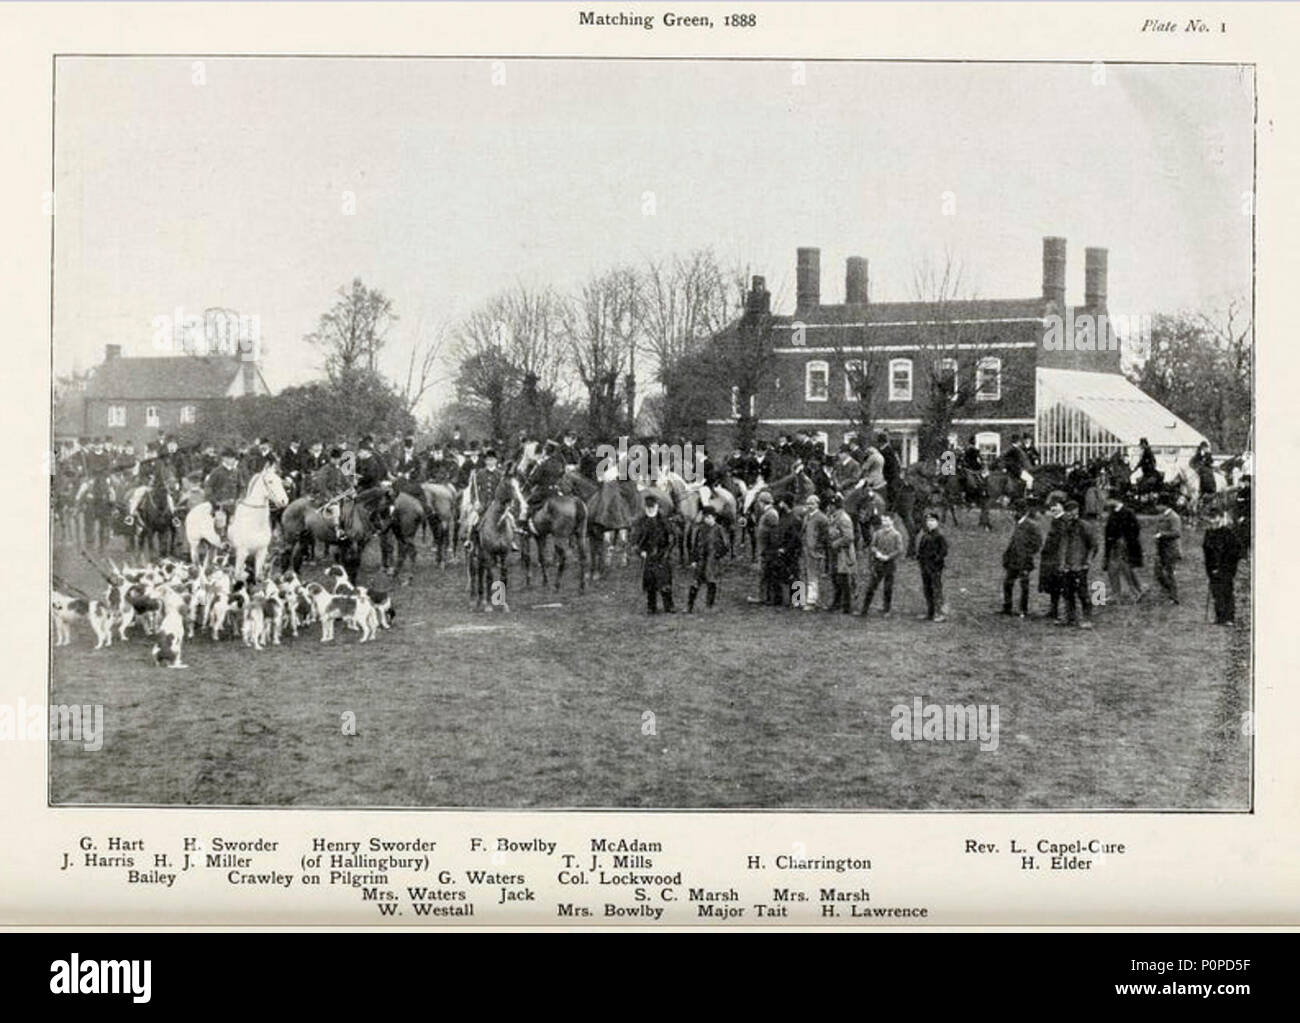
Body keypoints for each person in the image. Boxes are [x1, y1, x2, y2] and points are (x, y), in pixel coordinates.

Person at [1056, 499, 1097, 629]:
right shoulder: (1064, 526)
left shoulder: (1084, 526)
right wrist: (1062, 563)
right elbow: (1063, 545)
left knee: (1082, 592)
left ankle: (1087, 619)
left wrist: (1087, 562)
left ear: (1076, 511)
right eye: (1066, 512)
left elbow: (1094, 546)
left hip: (1079, 565)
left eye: (1070, 512)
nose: (1068, 515)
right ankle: (1070, 617)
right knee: (1067, 592)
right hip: (1067, 566)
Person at [636, 493, 676, 613]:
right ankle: (651, 606)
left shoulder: (664, 521)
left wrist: (666, 553)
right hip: (648, 556)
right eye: (648, 508)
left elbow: (672, 539)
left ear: (657, 506)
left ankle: (669, 606)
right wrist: (641, 551)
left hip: (662, 555)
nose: (650, 509)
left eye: (652, 507)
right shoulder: (642, 522)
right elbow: (637, 540)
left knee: (664, 582)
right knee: (650, 583)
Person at [859, 512, 904, 617]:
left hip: (889, 565)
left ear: (892, 521)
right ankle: (864, 609)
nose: (885, 523)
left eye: (887, 520)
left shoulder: (896, 534)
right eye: (883, 520)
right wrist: (877, 553)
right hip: (878, 564)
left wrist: (888, 557)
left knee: (888, 588)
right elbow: (872, 546)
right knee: (871, 587)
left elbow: (899, 550)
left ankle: (886, 609)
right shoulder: (877, 533)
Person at [1001, 503, 1043, 617]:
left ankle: (1023, 610)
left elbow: (1037, 543)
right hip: (1013, 560)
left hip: (1024, 560)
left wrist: (1028, 555)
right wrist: (1007, 556)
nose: (1013, 514)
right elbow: (1013, 542)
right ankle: (1007, 607)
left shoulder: (1031, 525)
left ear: (1022, 512)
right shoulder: (1017, 524)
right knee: (1007, 583)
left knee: (1024, 585)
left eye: (1015, 511)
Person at [1203, 509, 1243, 625]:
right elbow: (1207, 551)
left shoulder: (1228, 533)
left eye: (1214, 518)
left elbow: (1236, 551)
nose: (1212, 522)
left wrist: (1225, 566)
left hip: (1226, 569)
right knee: (1216, 592)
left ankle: (1229, 618)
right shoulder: (1209, 533)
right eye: (1210, 519)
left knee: (1226, 591)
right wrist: (1211, 568)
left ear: (1221, 518)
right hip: (1212, 569)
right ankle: (1219, 617)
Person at [1103, 497, 1145, 603]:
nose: (1106, 502)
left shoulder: (1128, 512)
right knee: (1113, 569)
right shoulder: (1112, 513)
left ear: (1115, 499)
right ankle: (1117, 593)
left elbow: (1135, 529)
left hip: (1125, 547)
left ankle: (1135, 592)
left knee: (1126, 569)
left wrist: (1126, 541)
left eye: (1108, 500)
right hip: (1113, 546)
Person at [688, 506, 729, 612]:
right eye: (705, 517)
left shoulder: (719, 529)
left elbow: (726, 546)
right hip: (701, 560)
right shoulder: (700, 529)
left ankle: (709, 605)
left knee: (711, 582)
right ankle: (689, 606)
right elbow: (695, 545)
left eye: (709, 517)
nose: (707, 519)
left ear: (714, 517)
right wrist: (693, 560)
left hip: (712, 561)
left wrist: (717, 555)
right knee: (695, 582)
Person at [825, 494, 857, 614]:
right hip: (835, 553)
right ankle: (837, 602)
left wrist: (835, 543)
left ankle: (846, 605)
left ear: (834, 506)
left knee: (843, 578)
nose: (829, 507)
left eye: (831, 505)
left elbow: (849, 537)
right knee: (835, 578)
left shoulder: (844, 518)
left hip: (843, 553)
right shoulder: (832, 516)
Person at [203, 448, 244, 539]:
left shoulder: (237, 472)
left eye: (234, 458)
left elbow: (241, 487)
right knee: (220, 523)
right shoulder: (216, 472)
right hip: (220, 505)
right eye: (231, 458)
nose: (233, 460)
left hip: (234, 504)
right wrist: (215, 501)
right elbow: (208, 487)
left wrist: (240, 498)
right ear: (224, 459)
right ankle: (221, 543)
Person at [916, 511, 948, 622]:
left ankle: (940, 613)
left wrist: (936, 561)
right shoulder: (925, 535)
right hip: (925, 566)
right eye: (928, 521)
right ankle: (930, 612)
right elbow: (920, 550)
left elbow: (943, 551)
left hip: (934, 567)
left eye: (932, 521)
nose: (930, 523)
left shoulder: (939, 536)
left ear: (937, 522)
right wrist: (920, 559)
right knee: (927, 589)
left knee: (936, 590)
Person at [799, 494, 829, 610]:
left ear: (817, 504)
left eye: (812, 503)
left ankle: (812, 601)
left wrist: (818, 547)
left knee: (813, 576)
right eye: (808, 503)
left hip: (815, 551)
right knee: (803, 574)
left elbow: (825, 536)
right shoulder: (807, 516)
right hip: (805, 549)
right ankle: (799, 599)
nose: (809, 506)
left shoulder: (822, 518)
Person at [1037, 498, 1066, 621]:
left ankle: (1062, 612)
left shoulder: (1063, 521)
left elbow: (1062, 541)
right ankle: (1053, 609)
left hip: (1057, 557)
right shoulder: (1056, 520)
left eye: (1056, 506)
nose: (1053, 509)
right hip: (1051, 557)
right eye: (1051, 507)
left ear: (1062, 506)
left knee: (1060, 584)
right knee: (1053, 584)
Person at [1152, 497, 1183, 604]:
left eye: (1158, 505)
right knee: (1158, 572)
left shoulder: (1174, 517)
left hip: (1171, 549)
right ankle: (1167, 591)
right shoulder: (1162, 516)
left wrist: (1162, 534)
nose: (1156, 507)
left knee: (1170, 573)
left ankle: (1174, 597)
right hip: (1162, 548)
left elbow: (1177, 533)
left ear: (1164, 505)